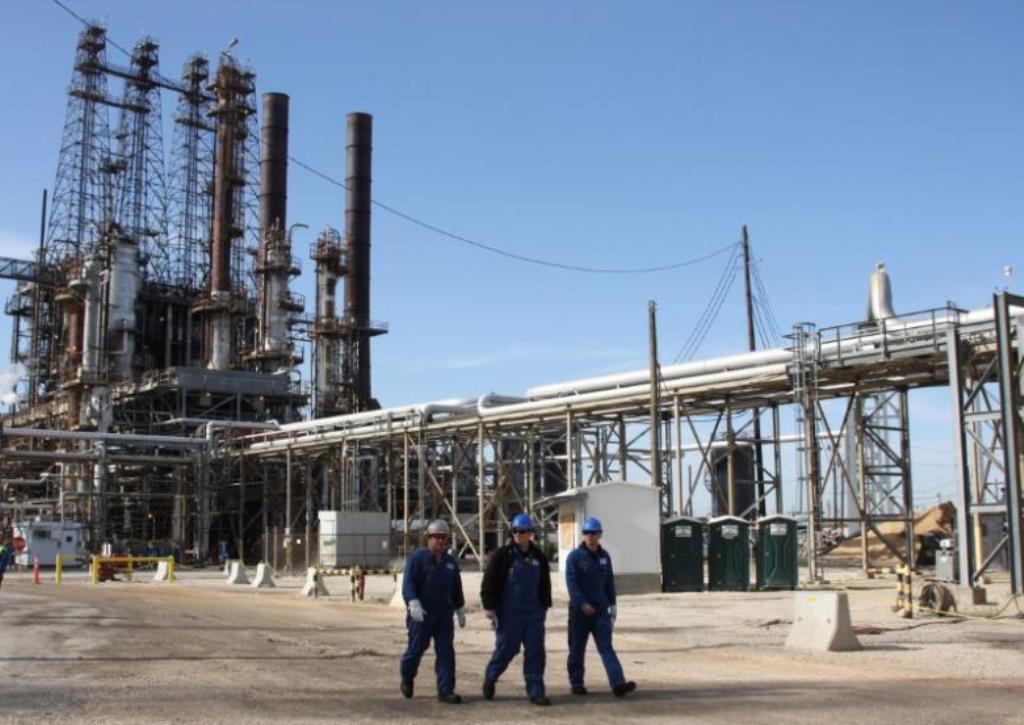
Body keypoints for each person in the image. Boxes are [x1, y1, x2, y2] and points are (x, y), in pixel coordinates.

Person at [480, 513, 553, 706]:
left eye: (522, 531)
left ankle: (536, 691)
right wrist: (489, 605)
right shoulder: (502, 556)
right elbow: (489, 581)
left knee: (535, 652)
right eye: (515, 531)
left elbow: (545, 585)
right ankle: (491, 676)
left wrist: (544, 606)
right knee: (507, 649)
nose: (518, 535)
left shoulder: (540, 558)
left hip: (533, 614)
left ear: (530, 533)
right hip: (509, 614)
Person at [564, 516, 636, 698]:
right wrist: (582, 603)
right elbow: (572, 583)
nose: (591, 536)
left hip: (600, 612)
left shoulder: (604, 557)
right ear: (583, 534)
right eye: (587, 533)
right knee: (577, 649)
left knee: (606, 648)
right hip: (580, 613)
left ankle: (618, 683)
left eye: (594, 533)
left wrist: (613, 604)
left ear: (600, 535)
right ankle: (577, 683)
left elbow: (609, 582)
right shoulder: (574, 557)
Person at [399, 519, 467, 704]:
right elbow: (408, 583)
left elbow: (456, 587)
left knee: (446, 652)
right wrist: (412, 600)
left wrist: (460, 608)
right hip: (421, 615)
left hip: (443, 615)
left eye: (443, 537)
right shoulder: (417, 559)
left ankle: (446, 690)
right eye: (436, 537)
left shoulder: (450, 563)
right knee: (416, 650)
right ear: (428, 538)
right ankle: (407, 675)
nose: (439, 540)